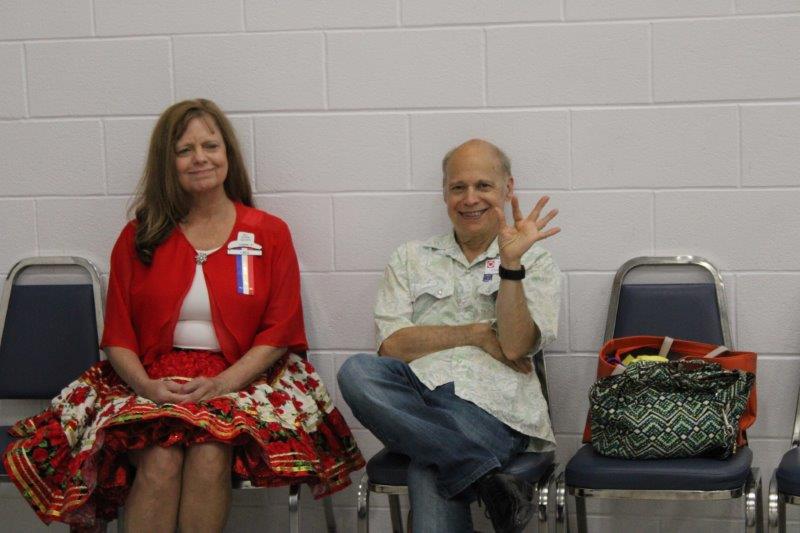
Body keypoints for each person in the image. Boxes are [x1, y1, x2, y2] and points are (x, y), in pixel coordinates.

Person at [2, 99, 364, 532]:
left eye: (210, 146)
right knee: (161, 458)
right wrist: (147, 387)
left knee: (210, 453)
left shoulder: (269, 233)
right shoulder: (139, 236)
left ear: (228, 154)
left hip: (244, 377)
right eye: (185, 150)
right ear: (167, 162)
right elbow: (118, 336)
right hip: (150, 377)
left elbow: (279, 332)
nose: (200, 158)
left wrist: (221, 384)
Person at [337, 139, 561, 533]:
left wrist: (510, 264)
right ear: (444, 193)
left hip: (492, 410)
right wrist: (476, 333)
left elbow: (514, 346)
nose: (470, 198)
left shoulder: (534, 259)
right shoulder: (410, 258)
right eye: (458, 187)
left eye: (483, 186)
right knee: (356, 371)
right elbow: (393, 347)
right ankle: (486, 479)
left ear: (508, 188)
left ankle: (457, 460)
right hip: (417, 399)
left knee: (431, 468)